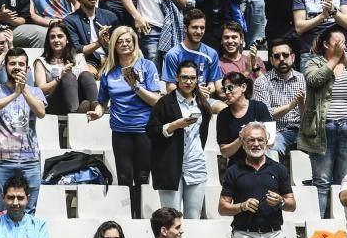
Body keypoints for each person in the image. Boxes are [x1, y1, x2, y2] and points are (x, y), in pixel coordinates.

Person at [87, 27, 162, 218]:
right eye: (120, 41)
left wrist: (136, 87)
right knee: (124, 177)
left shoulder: (147, 66)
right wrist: (97, 112)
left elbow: (156, 100)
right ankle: (127, 216)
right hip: (120, 131)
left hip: (144, 129)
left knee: (143, 177)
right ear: (114, 45)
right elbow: (102, 102)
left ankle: (142, 217)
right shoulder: (108, 72)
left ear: (135, 43)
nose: (125, 44)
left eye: (128, 40)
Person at [299, 26, 347, 216]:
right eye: (337, 42)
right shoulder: (313, 62)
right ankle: (320, 230)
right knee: (322, 181)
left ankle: (341, 229)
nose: (342, 46)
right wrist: (333, 60)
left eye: (344, 42)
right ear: (325, 44)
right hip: (322, 129)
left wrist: (346, 62)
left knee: (344, 181)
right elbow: (314, 80)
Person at [218, 122, 294, 238]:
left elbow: (292, 204)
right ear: (243, 143)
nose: (256, 144)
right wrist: (241, 206)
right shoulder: (233, 170)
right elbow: (222, 208)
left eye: (260, 139)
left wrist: (280, 201)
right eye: (251, 140)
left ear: (266, 142)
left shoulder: (279, 169)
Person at [0, 47, 46, 213]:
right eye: (12, 63)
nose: (17, 67)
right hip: (1, 161)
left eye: (21, 64)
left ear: (27, 68)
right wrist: (14, 95)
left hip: (30, 161)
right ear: (5, 66)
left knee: (29, 212)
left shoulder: (35, 91)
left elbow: (41, 112)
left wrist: (23, 90)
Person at [147, 61, 213, 220]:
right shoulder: (164, 102)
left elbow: (202, 135)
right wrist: (173, 126)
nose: (188, 82)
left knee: (194, 217)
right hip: (169, 166)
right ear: (177, 78)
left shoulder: (202, 103)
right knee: (170, 219)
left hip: (195, 164)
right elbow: (151, 131)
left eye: (192, 78)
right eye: (184, 77)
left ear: (197, 79)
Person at [252, 39, 305, 158]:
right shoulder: (262, 82)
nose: (281, 59)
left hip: (302, 131)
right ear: (271, 60)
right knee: (270, 150)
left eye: (285, 55)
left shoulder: (302, 79)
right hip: (276, 132)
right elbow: (264, 115)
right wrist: (290, 106)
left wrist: (301, 104)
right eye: (277, 56)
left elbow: (307, 115)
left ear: (293, 57)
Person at [216, 71, 274, 172]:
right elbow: (224, 152)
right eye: (224, 89)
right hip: (236, 167)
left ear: (243, 87)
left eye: (230, 88)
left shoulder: (259, 107)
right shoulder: (223, 115)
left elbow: (271, 140)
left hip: (261, 164)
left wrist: (252, 135)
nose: (227, 92)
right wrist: (240, 139)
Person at [33, 22, 95, 115]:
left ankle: (97, 108)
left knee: (86, 74)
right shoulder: (41, 61)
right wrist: (60, 78)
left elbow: (87, 82)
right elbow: (41, 90)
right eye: (52, 37)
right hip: (54, 102)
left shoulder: (78, 57)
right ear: (48, 41)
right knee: (68, 76)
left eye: (60, 36)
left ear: (67, 40)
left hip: (79, 98)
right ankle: (74, 114)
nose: (56, 40)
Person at [160, 10, 223, 100]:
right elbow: (170, 87)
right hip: (180, 101)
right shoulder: (173, 54)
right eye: (194, 27)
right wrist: (195, 91)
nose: (199, 31)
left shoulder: (212, 53)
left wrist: (206, 90)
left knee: (223, 109)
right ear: (185, 28)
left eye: (202, 28)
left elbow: (211, 84)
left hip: (204, 100)